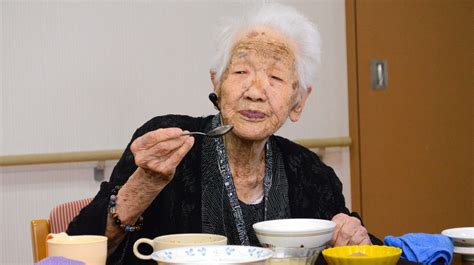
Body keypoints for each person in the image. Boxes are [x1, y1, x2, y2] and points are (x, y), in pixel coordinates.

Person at [68, 3, 379, 264]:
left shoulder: (311, 174)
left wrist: (352, 237)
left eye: (275, 77)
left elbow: (360, 248)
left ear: (299, 101)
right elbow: (77, 252)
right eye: (241, 72)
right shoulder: (167, 143)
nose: (256, 91)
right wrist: (144, 185)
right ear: (216, 82)